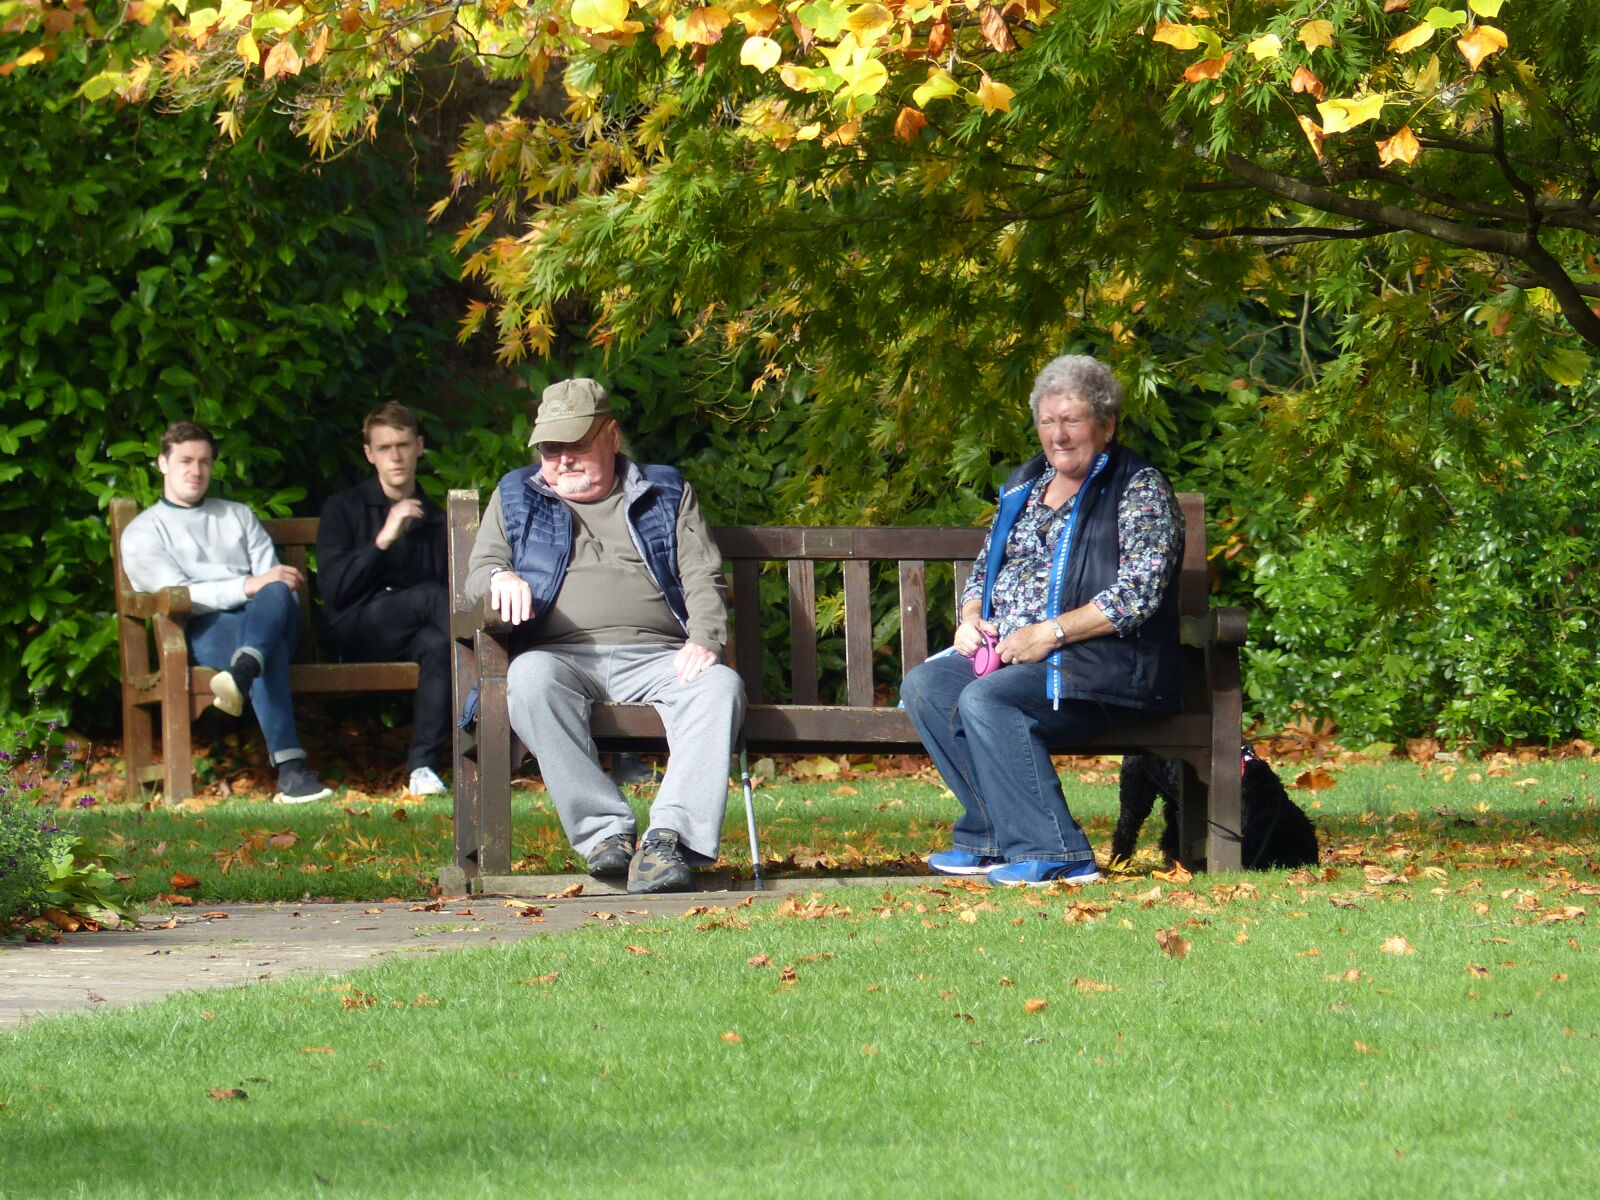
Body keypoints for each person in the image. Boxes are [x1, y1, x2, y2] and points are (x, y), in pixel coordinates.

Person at [901, 355, 1184, 886]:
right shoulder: (1025, 485)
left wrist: (1049, 633)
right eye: (1048, 420)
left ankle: (1057, 851)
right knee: (928, 685)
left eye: (1072, 419)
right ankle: (989, 835)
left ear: (1107, 424)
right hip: (1016, 655)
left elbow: (1139, 594)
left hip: (1103, 665)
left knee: (987, 698)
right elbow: (986, 570)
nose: (1058, 434)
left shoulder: (1138, 487)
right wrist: (969, 618)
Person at [465, 379, 744, 894]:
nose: (562, 460)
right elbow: (481, 567)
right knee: (526, 677)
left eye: (575, 445)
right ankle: (605, 836)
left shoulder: (666, 492)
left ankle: (668, 842)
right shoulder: (515, 494)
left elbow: (702, 574)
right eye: (550, 449)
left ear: (611, 436)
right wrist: (498, 578)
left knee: (718, 686)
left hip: (660, 655)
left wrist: (704, 638)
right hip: (561, 657)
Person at [120, 421, 333, 804]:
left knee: (272, 597)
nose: (196, 470)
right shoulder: (144, 531)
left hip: (266, 617)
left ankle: (245, 675)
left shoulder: (236, 515)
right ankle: (291, 771)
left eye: (204, 461)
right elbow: (178, 598)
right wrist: (245, 586)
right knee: (265, 647)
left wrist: (259, 587)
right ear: (162, 464)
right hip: (203, 628)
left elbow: (275, 583)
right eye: (185, 460)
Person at [317, 403, 450, 797]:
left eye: (403, 445)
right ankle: (498, 674)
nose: (395, 456)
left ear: (419, 447)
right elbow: (334, 593)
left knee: (441, 645)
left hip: (414, 635)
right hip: (353, 630)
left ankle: (423, 768)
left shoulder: (436, 518)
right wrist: (383, 539)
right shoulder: (343, 508)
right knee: (429, 599)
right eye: (385, 447)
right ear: (368, 453)